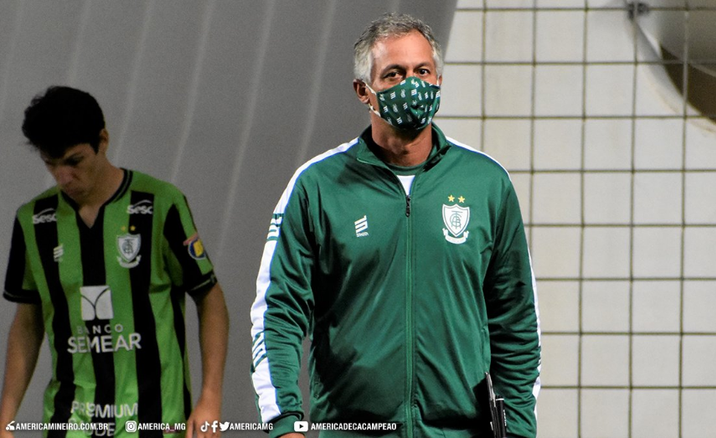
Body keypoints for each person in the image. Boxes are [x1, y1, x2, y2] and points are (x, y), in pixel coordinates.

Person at [250, 13, 540, 438]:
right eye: (394, 74)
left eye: (422, 71)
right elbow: (278, 313)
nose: (413, 84)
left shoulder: (486, 183)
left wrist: (517, 428)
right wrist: (283, 419)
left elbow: (516, 319)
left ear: (438, 79)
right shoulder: (317, 186)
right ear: (363, 92)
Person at [0, 86, 229, 438]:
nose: (63, 177)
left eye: (74, 161)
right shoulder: (34, 221)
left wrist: (210, 397)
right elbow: (28, 321)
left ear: (102, 140)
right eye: (51, 164)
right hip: (70, 423)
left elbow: (209, 297)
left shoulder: (160, 204)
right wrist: (6, 417)